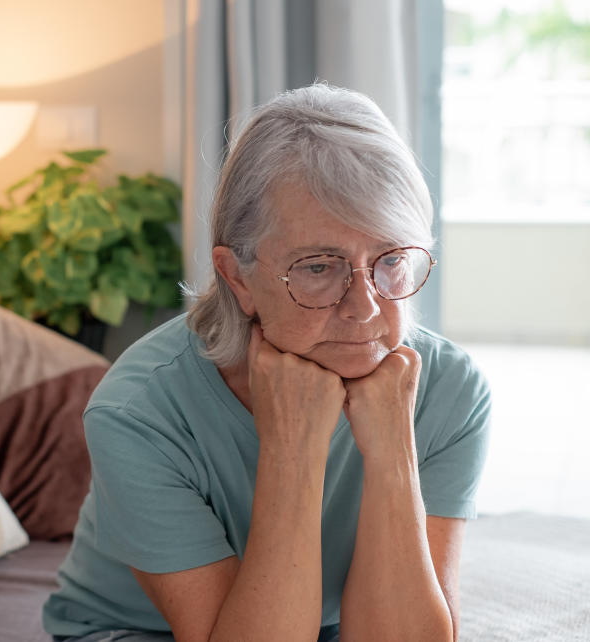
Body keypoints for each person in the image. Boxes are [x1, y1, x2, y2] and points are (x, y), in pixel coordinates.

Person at [42, 84, 491, 642]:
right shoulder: (137, 414)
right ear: (237, 278)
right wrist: (293, 449)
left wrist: (394, 446)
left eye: (392, 259)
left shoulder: (452, 391)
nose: (365, 308)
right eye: (319, 267)